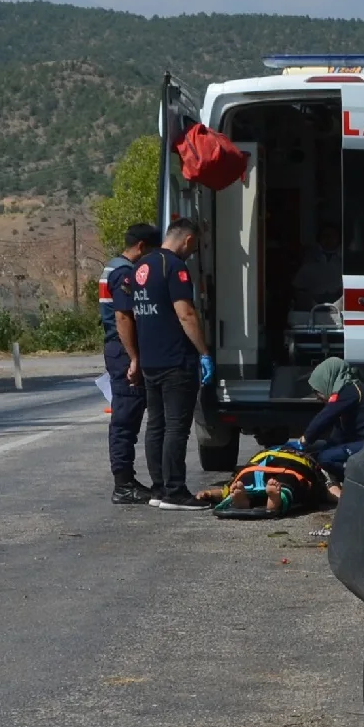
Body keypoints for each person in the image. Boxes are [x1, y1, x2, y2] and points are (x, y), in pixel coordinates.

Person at [112, 215, 214, 509]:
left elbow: (127, 315)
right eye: (195, 246)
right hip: (175, 360)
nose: (193, 252)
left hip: (150, 361)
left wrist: (136, 356)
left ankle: (158, 488)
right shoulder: (174, 267)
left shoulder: (139, 267)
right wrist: (204, 352)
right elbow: (186, 314)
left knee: (156, 425)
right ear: (188, 240)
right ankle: (175, 491)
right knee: (176, 428)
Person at [100, 224, 154, 503]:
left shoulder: (113, 266)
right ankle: (123, 484)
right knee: (125, 418)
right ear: (142, 247)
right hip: (123, 350)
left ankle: (126, 481)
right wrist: (134, 357)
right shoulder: (124, 272)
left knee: (127, 417)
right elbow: (123, 317)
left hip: (118, 349)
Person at [292, 355, 364, 502]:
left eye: (317, 391)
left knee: (326, 458)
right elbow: (338, 435)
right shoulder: (350, 392)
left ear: (328, 380)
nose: (317, 397)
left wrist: (304, 440)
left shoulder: (350, 391)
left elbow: (326, 416)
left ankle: (361, 479)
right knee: (319, 451)